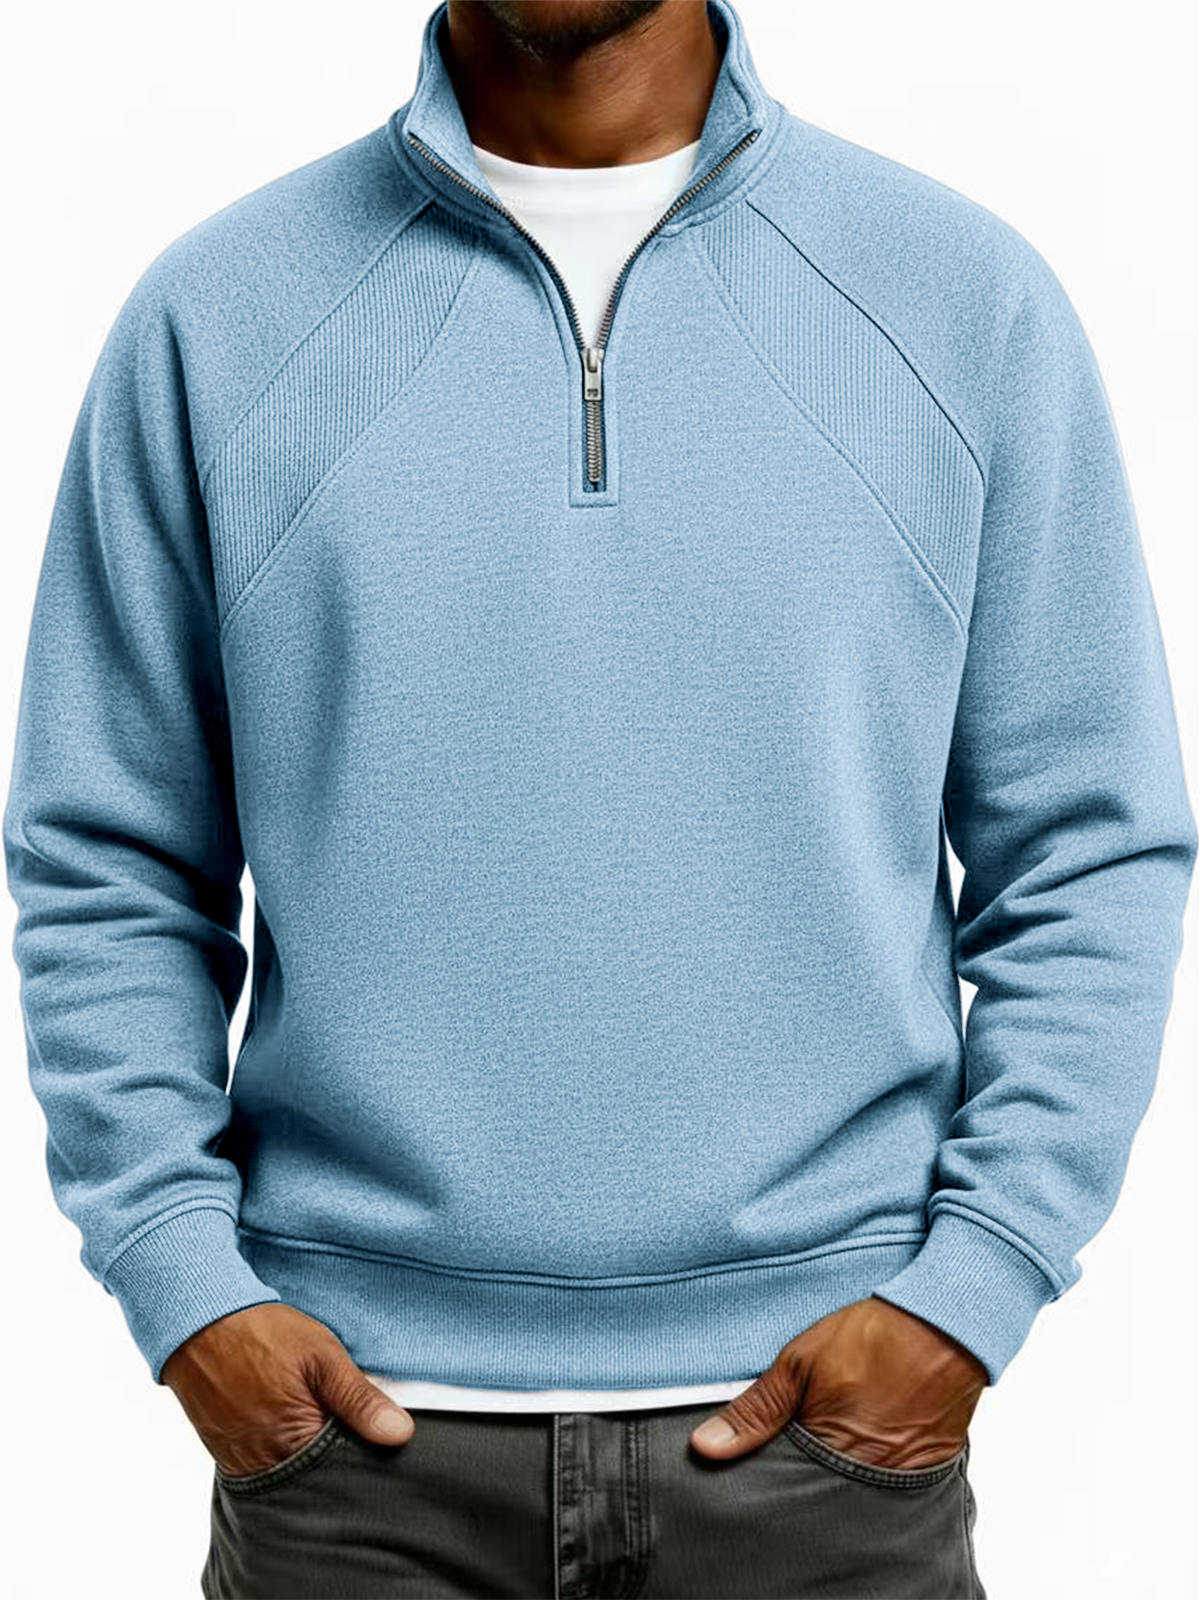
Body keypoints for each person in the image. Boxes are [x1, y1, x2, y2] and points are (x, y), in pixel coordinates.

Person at [4, 0, 1195, 1594]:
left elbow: (1088, 847)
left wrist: (975, 1285)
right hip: (357, 1467)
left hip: (825, 1465)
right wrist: (181, 1280)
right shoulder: (218, 318)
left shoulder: (961, 302)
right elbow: (107, 856)